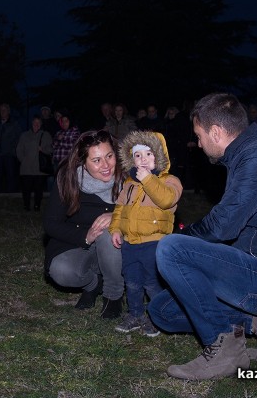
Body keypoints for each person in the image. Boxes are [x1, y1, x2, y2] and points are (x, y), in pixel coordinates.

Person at [148, 93, 257, 380]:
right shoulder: (249, 153)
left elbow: (222, 226)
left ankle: (225, 352)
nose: (199, 143)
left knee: (172, 249)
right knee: (162, 311)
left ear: (216, 132)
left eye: (200, 135)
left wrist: (182, 236)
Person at [43, 130, 125, 319]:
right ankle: (93, 284)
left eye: (109, 156)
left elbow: (151, 211)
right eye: (96, 160)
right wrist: (85, 236)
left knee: (107, 230)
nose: (105, 166)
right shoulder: (68, 180)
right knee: (62, 271)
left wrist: (119, 215)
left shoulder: (130, 177)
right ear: (83, 163)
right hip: (81, 242)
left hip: (120, 244)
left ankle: (113, 295)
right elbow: (51, 223)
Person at [109, 130, 182, 336]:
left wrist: (149, 179)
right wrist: (115, 229)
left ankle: (156, 317)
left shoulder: (170, 181)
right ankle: (135, 314)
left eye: (149, 154)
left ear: (159, 156)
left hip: (154, 243)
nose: (143, 160)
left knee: (153, 282)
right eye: (138, 155)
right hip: (130, 243)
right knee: (132, 280)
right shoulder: (129, 184)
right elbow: (119, 208)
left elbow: (167, 200)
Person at [16, 115, 53, 211]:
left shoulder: (46, 135)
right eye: (34, 123)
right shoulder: (24, 135)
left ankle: (37, 206)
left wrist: (43, 149)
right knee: (26, 189)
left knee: (38, 190)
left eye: (38, 123)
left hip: (40, 169)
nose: (36, 124)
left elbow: (51, 149)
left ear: (41, 124)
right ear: (32, 124)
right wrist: (23, 160)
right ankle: (26, 206)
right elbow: (19, 149)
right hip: (26, 168)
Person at [0, 103, 22, 193]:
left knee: (11, 175)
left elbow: (19, 137)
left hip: (10, 155)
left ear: (8, 111)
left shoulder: (14, 123)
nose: (2, 111)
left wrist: (13, 150)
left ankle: (11, 194)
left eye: (4, 109)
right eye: (1, 110)